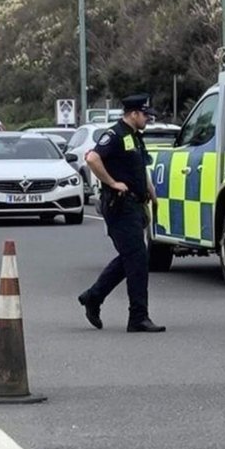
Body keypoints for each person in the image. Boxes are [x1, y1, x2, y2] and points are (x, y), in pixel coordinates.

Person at [78, 94, 165, 333]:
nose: (148, 118)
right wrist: (113, 182)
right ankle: (138, 316)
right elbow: (92, 159)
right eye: (145, 114)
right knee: (137, 258)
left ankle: (93, 297)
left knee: (133, 257)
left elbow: (139, 168)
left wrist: (150, 191)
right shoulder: (114, 135)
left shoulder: (135, 137)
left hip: (135, 204)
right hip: (120, 205)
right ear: (133, 114)